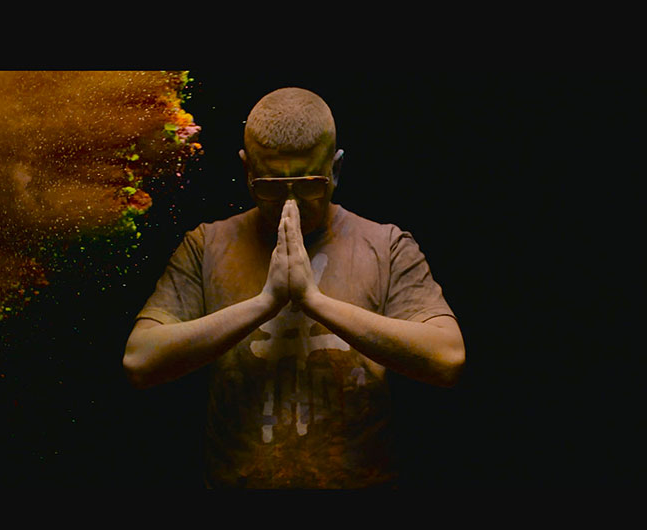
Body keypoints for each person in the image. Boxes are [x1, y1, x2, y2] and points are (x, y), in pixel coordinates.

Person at [122, 87, 465, 489]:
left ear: (336, 170)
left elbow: (447, 358)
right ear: (246, 170)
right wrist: (266, 302)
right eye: (270, 185)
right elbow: (140, 360)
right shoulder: (207, 245)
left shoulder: (386, 245)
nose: (290, 204)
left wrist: (313, 300)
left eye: (308, 184)